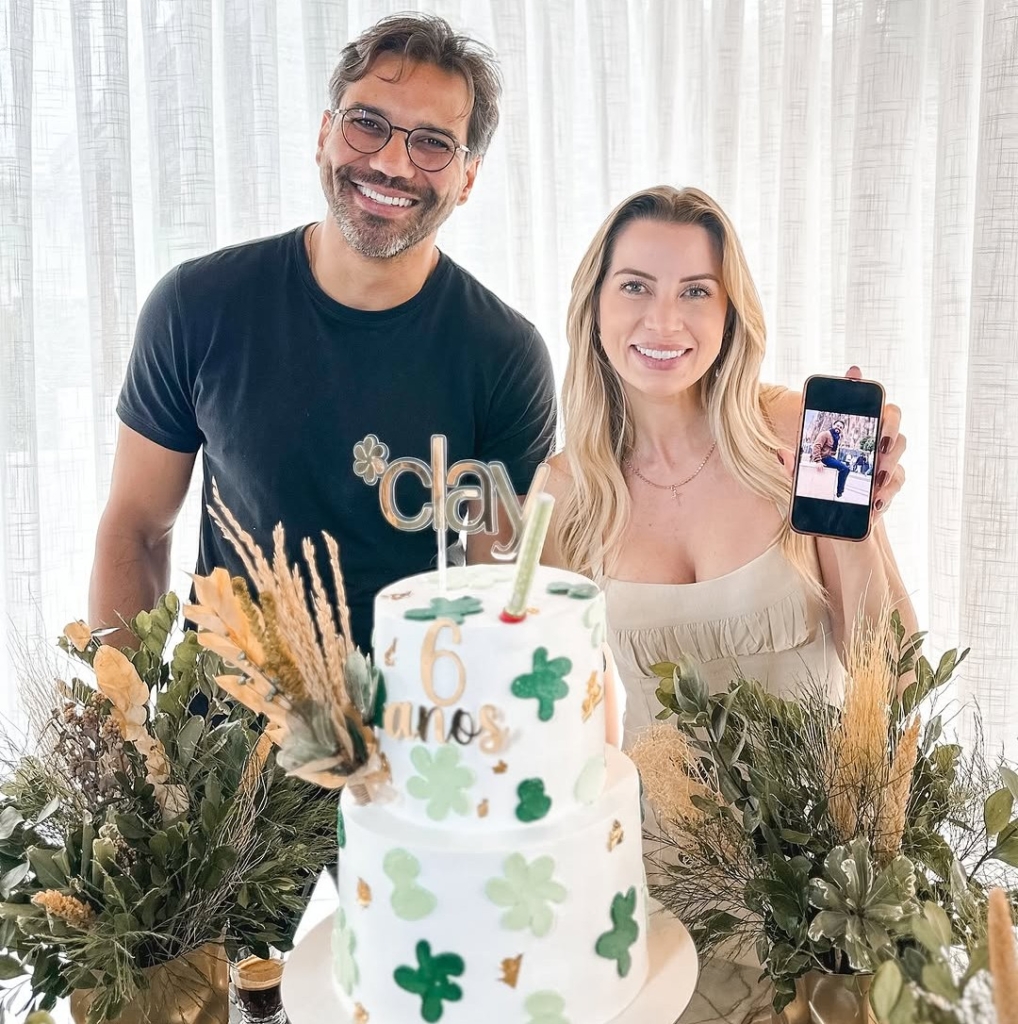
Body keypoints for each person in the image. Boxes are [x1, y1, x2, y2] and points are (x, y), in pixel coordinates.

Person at [89, 14, 556, 651]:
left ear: (467, 178)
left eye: (432, 143)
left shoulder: (506, 356)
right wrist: (122, 705)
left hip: (420, 709)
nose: (390, 162)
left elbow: (503, 595)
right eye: (367, 123)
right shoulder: (196, 305)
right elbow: (136, 528)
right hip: (223, 714)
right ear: (324, 135)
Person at [542, 186, 916, 745]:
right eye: (635, 286)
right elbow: (567, 715)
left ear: (729, 316)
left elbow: (896, 686)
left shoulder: (798, 433)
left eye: (695, 291)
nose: (664, 321)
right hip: (647, 802)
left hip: (821, 803)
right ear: (595, 307)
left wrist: (855, 530)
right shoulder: (565, 490)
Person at [811, 418, 851, 498]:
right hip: (823, 458)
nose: (838, 428)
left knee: (844, 468)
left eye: (841, 427)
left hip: (828, 458)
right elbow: (816, 446)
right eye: (837, 426)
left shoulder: (835, 437)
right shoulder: (825, 434)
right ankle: (840, 492)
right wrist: (818, 461)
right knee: (845, 469)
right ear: (833, 425)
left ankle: (839, 491)